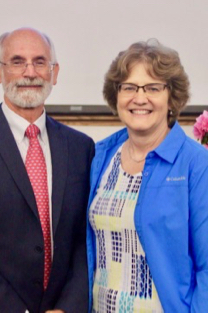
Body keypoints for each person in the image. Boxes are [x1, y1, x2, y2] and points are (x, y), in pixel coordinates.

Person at [0, 27, 94, 313]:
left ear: (54, 73)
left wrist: (68, 307)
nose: (29, 72)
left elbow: (86, 238)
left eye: (40, 62)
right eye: (17, 62)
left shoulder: (81, 148)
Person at [86, 39, 208, 312]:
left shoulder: (197, 165)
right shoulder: (100, 157)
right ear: (116, 95)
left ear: (172, 97)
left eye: (153, 88)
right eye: (129, 87)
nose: (139, 98)